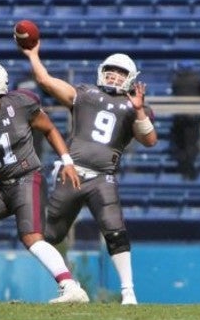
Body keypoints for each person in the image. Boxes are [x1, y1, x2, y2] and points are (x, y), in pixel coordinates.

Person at [20, 42, 158, 305]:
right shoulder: (85, 93)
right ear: (101, 72)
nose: (114, 76)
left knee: (115, 230)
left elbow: (150, 140)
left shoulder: (134, 105)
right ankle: (69, 286)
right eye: (110, 71)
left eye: (120, 73)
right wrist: (33, 54)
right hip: (71, 173)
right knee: (49, 235)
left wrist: (139, 110)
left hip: (102, 177)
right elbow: (45, 81)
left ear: (130, 78)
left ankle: (128, 292)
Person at [0, 60, 89, 303]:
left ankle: (71, 287)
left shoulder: (20, 104)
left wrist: (67, 160)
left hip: (27, 178)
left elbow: (50, 129)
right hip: (2, 186)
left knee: (31, 237)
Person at [169, 60, 200, 180]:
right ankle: (189, 168)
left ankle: (184, 168)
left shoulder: (177, 81)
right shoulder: (197, 80)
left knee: (182, 143)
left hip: (180, 117)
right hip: (193, 116)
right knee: (191, 143)